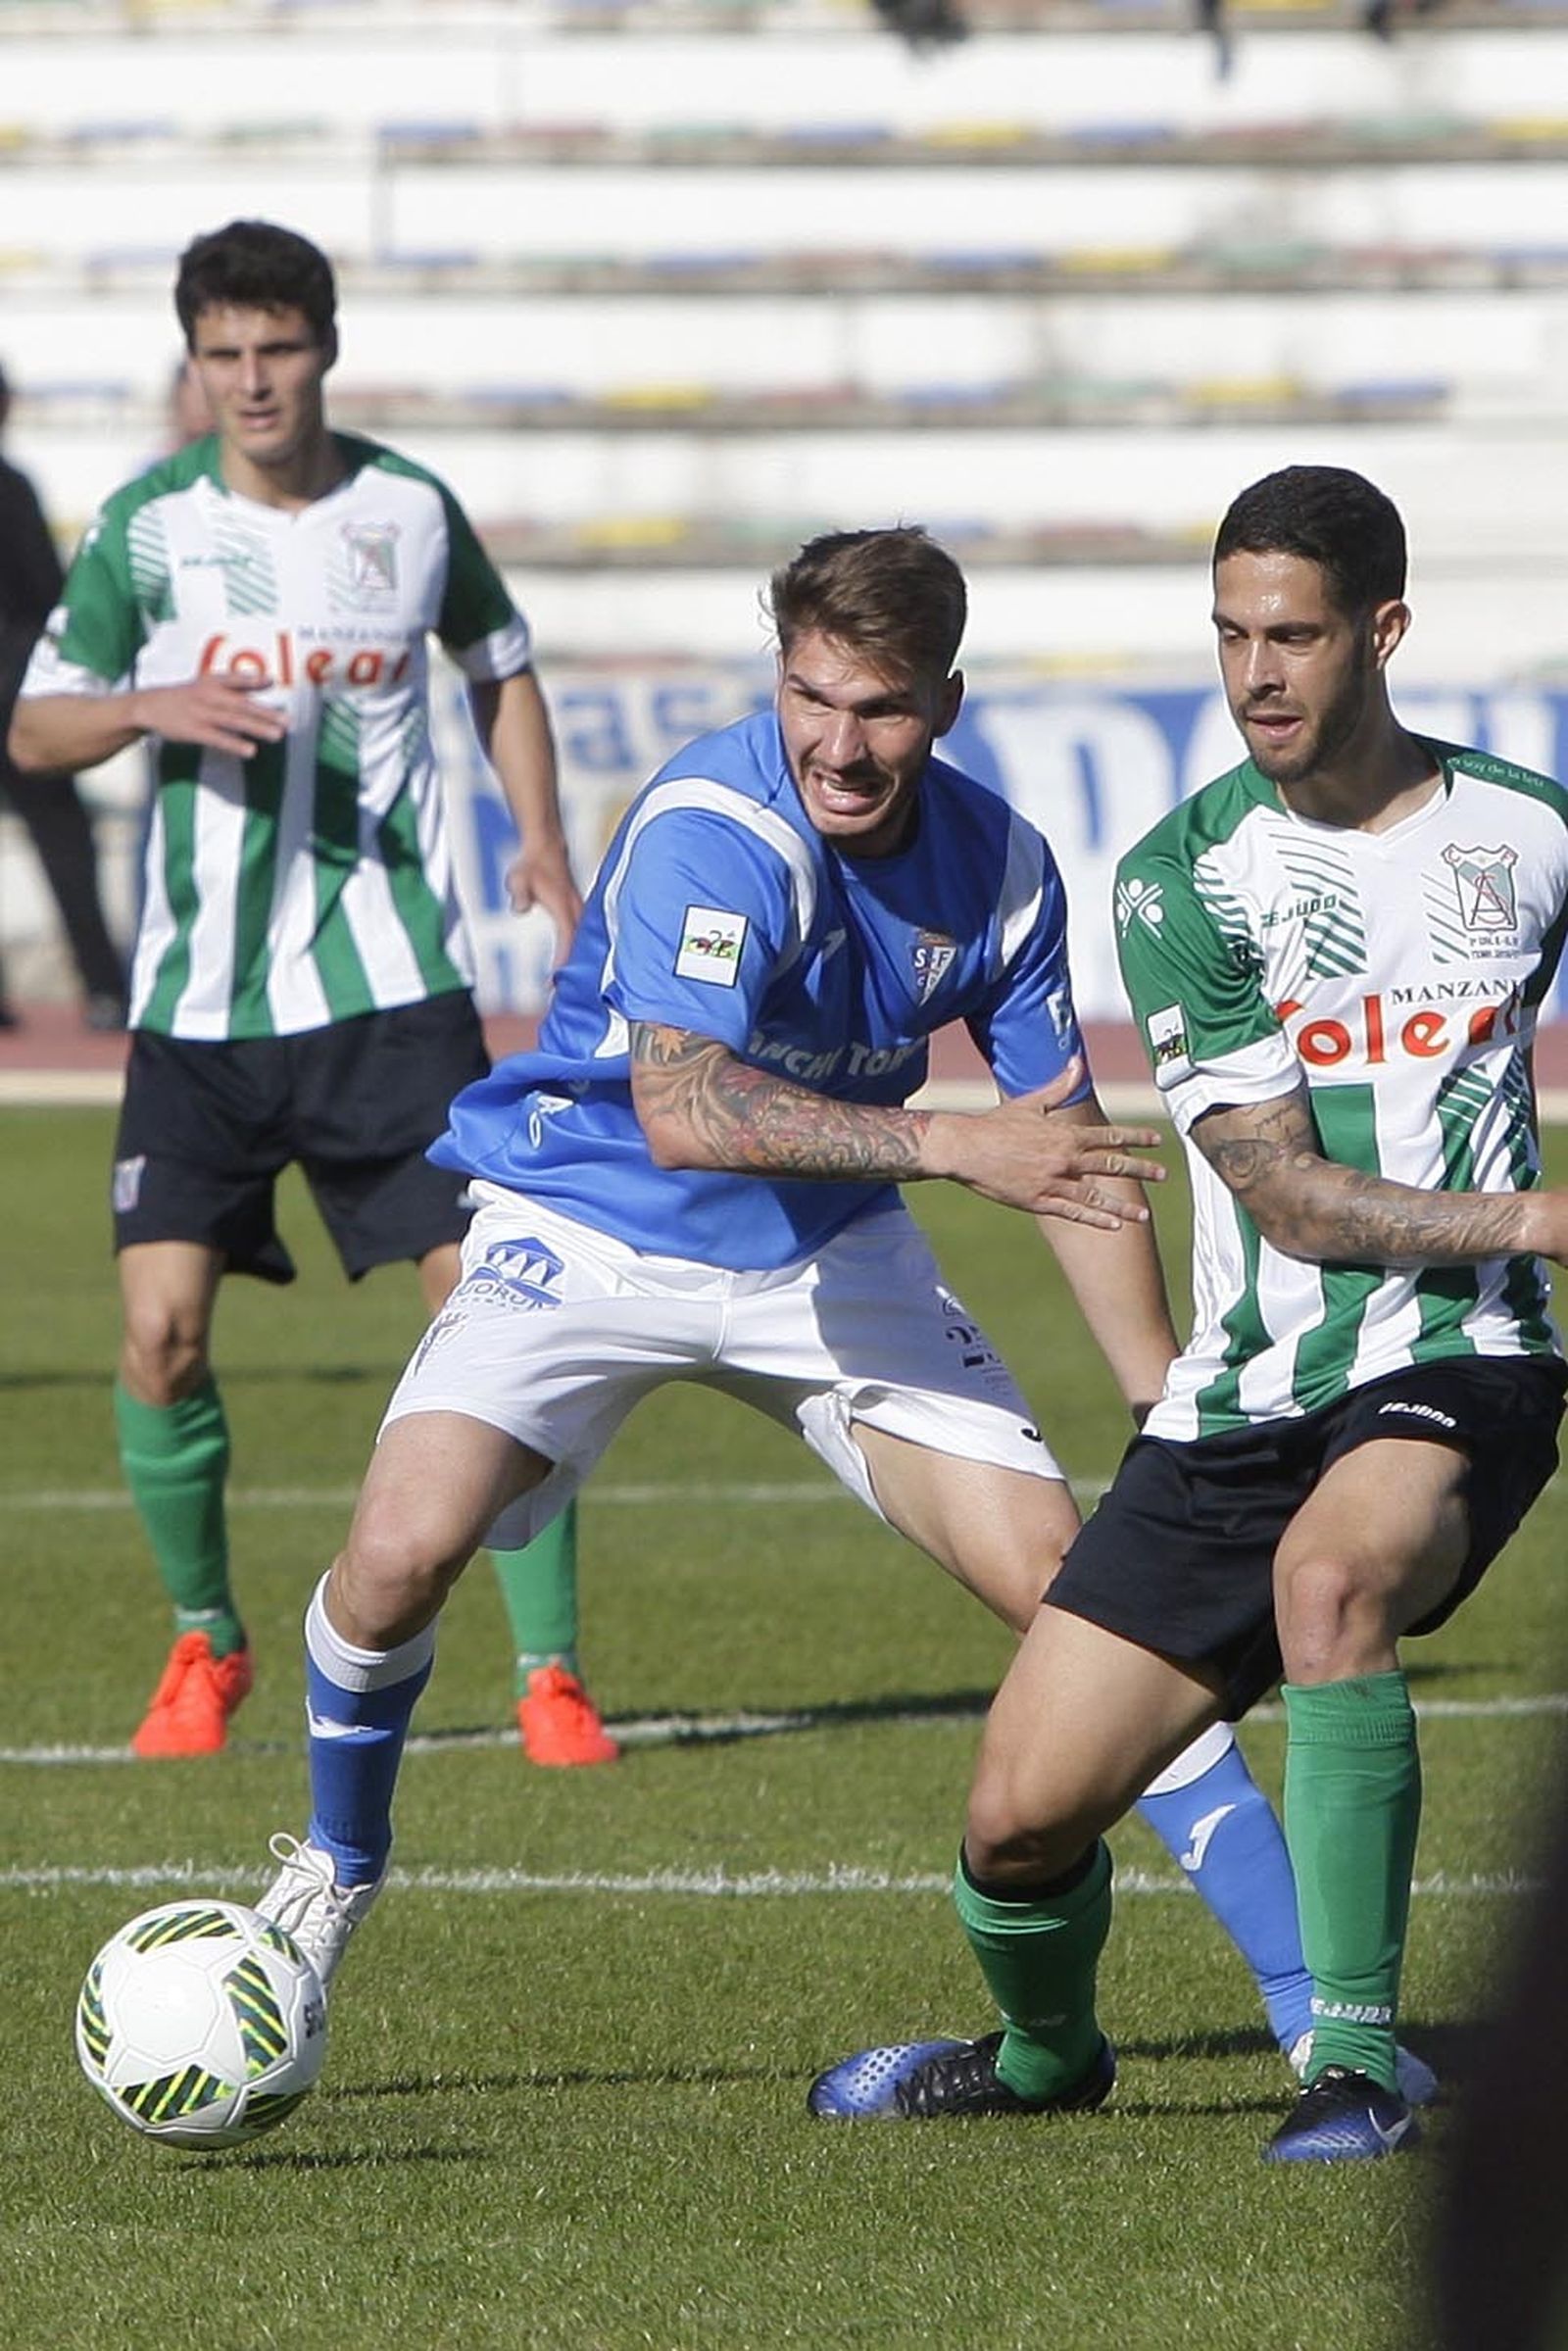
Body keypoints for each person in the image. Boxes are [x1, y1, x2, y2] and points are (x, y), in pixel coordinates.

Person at [239, 523, 1396, 2104]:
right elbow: (684, 1108)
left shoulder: (1000, 867)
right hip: (590, 1217)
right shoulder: (712, 824)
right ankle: (331, 1870)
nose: (839, 745)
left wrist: (1161, 1405)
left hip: (828, 1251)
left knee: (1093, 1602)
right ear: (776, 680)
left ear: (947, 703)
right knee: (394, 1557)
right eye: (811, 696)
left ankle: (1319, 2015)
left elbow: (1067, 1154)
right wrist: (947, 1142)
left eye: (882, 707)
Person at [809, 465, 1568, 2164]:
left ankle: (1356, 2063)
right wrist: (1544, 1213)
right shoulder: (1183, 877)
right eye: (1229, 637)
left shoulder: (1531, 829)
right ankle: (1044, 2058)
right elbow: (1285, 1192)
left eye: (1292, 636)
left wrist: (1518, 1252)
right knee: (1016, 1824)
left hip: (1465, 1353)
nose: (1255, 676)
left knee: (1331, 1579)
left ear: (1383, 630)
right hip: (1246, 1392)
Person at [8, 220, 615, 1770]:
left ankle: (549, 1666)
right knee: (159, 1335)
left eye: (276, 347)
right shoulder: (149, 526)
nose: (252, 378)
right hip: (199, 1007)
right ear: (195, 363)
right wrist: (149, 701)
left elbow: (500, 663)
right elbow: (36, 729)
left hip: (392, 996)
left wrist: (541, 838)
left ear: (324, 349)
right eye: (223, 353)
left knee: (495, 1316)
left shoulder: (408, 509)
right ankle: (205, 1638)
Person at [0, 359, 127, 1031]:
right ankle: (104, 989)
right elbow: (49, 596)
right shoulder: (13, 487)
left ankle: (103, 985)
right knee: (65, 842)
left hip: (16, 693)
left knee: (65, 841)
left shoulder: (15, 487)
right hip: (17, 694)